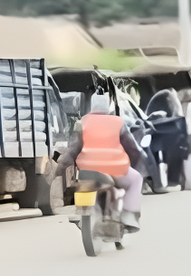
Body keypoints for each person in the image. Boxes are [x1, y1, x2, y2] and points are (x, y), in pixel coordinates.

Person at [52, 93, 143, 231]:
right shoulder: (118, 122)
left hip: (87, 172)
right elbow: (133, 149)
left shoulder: (82, 123)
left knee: (82, 188)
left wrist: (59, 170)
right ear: (108, 107)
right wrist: (137, 164)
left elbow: (72, 150)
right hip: (115, 171)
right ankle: (129, 218)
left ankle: (83, 215)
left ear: (91, 106)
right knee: (136, 179)